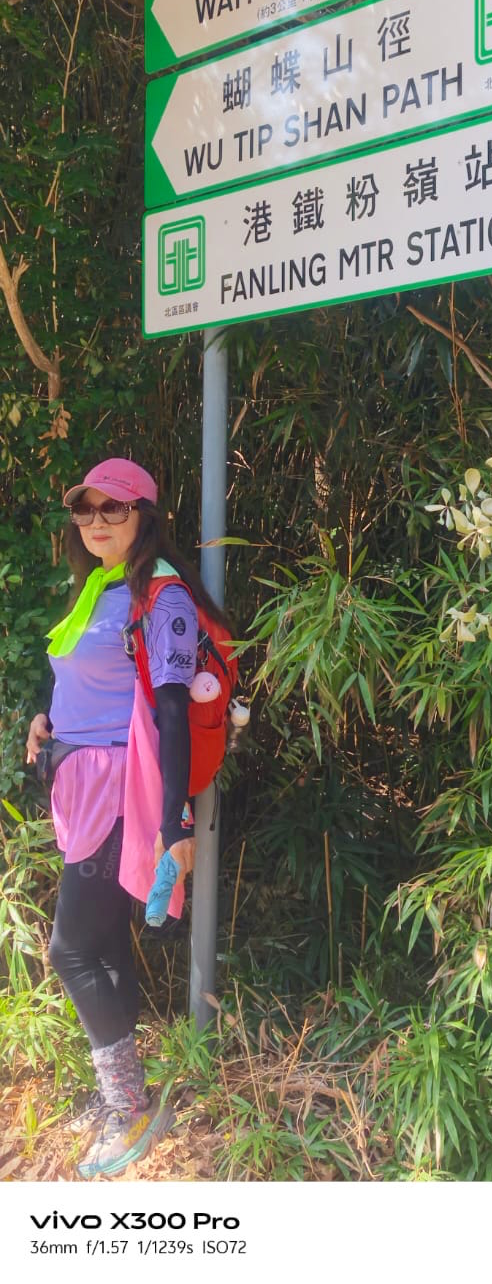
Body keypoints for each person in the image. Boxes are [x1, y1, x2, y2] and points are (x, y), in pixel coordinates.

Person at [25, 457, 225, 1179]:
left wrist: (173, 822)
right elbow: (87, 681)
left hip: (119, 790)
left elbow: (170, 711)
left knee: (69, 950)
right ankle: (126, 1093)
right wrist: (47, 719)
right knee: (104, 942)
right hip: (81, 785)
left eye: (114, 508)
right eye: (85, 509)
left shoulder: (160, 595)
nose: (97, 521)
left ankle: (129, 1108)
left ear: (145, 514)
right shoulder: (100, 589)